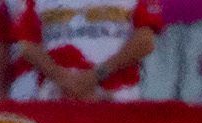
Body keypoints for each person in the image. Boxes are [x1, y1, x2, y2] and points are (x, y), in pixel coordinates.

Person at [13, 0, 163, 101]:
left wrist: (94, 77)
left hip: (117, 99)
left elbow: (145, 42)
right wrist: (65, 80)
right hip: (57, 100)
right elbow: (28, 45)